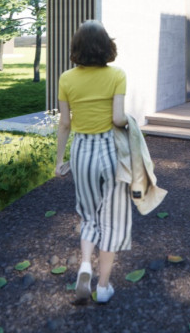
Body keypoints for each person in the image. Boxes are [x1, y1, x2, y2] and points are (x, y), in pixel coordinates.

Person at [55, 20, 130, 305]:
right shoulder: (117, 75)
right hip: (110, 150)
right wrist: (130, 122)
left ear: (77, 48)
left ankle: (85, 264)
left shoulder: (66, 78)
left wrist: (60, 161)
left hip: (82, 151)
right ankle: (103, 286)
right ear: (106, 47)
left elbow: (64, 123)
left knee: (88, 216)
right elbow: (118, 119)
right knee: (111, 218)